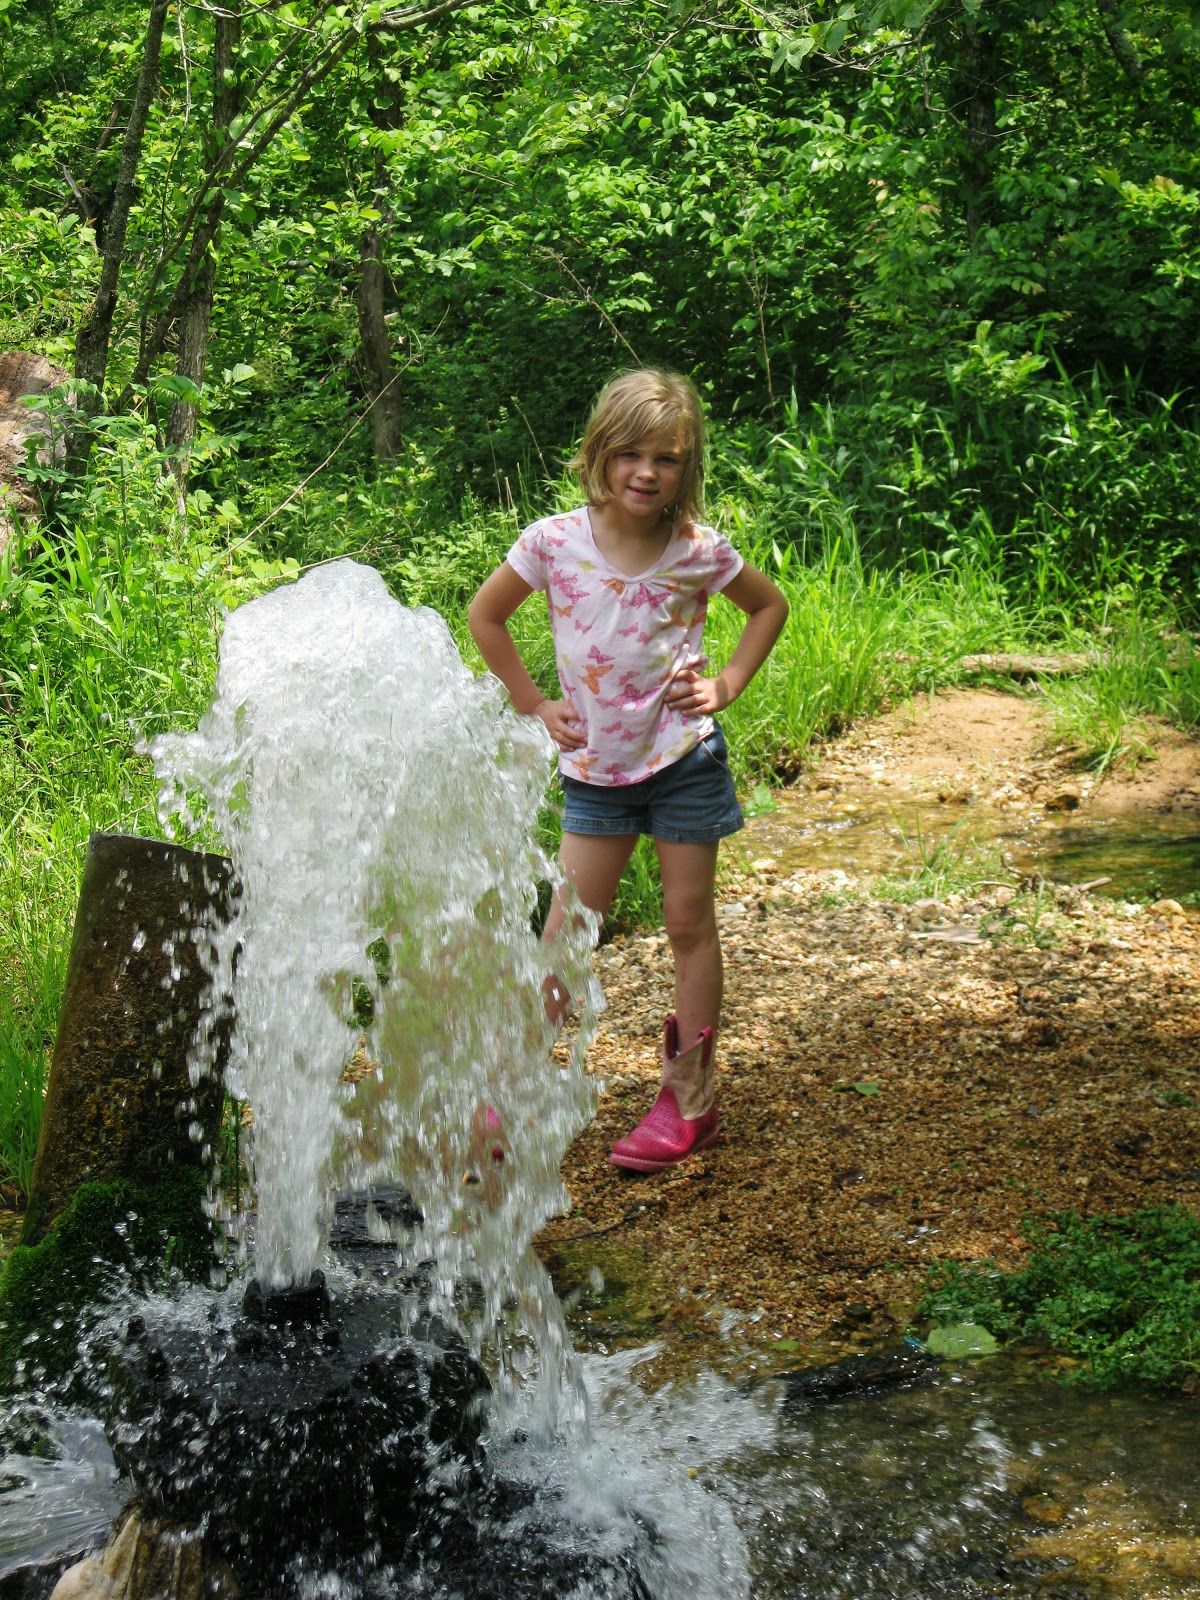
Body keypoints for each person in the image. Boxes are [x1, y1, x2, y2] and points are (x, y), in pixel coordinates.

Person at [468, 369, 788, 1171]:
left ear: (688, 467)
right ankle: (511, 1089)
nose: (648, 473)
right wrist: (535, 704)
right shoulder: (552, 542)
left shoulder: (697, 551)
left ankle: (688, 1100)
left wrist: (728, 685)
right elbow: (487, 615)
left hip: (684, 760)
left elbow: (768, 606)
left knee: (688, 923)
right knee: (568, 930)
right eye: (632, 455)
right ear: (600, 456)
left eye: (668, 459)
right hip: (595, 773)